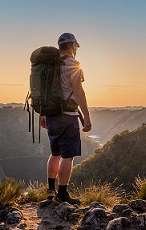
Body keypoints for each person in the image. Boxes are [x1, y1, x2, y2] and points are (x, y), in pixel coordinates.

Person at [40, 33, 92, 205]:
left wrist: (43, 113)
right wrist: (86, 115)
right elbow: (78, 91)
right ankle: (62, 194)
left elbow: (45, 92)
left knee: (55, 153)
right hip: (68, 116)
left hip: (51, 115)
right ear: (72, 46)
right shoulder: (72, 64)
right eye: (76, 46)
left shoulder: (50, 66)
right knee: (67, 156)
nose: (76, 49)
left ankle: (50, 189)